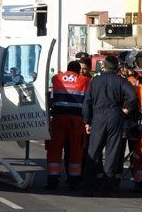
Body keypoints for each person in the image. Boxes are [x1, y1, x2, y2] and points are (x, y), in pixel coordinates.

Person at [82, 56, 137, 196]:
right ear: (117, 67)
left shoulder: (95, 81)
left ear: (104, 66)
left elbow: (87, 102)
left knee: (93, 152)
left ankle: (89, 186)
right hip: (115, 116)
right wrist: (126, 109)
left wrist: (87, 121)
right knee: (112, 152)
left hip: (98, 117)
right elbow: (132, 96)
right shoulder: (121, 80)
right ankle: (109, 187)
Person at [46, 61, 91, 190]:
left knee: (54, 149)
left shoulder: (57, 78)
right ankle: (74, 181)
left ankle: (52, 180)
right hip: (76, 120)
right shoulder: (84, 80)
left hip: (58, 118)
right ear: (78, 71)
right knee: (76, 149)